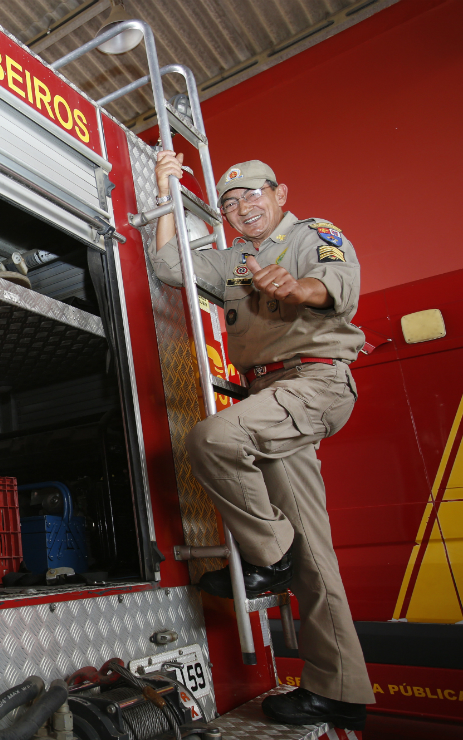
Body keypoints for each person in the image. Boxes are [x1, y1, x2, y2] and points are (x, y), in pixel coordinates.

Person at [148, 153, 373, 730]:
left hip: (315, 380)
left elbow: (336, 285)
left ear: (279, 193)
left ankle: (270, 554)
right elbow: (172, 267)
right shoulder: (237, 261)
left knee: (213, 439)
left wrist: (302, 289)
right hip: (271, 397)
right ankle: (340, 690)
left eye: (252, 195)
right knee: (316, 560)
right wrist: (163, 192)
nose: (241, 207)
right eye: (229, 202)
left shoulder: (311, 234)